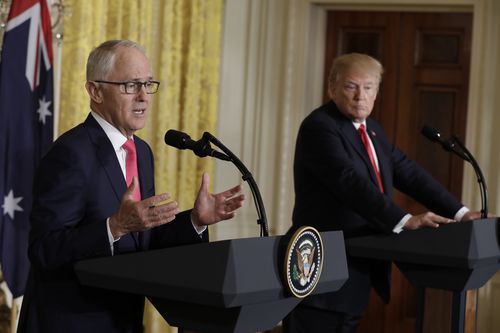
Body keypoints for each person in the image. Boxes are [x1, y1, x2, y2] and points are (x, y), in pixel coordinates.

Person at [17, 40, 245, 333]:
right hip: (71, 323)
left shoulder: (142, 151)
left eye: (148, 84)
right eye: (130, 85)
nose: (144, 97)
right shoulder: (70, 153)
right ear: (95, 91)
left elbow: (142, 238)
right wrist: (113, 227)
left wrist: (194, 220)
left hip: (122, 321)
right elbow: (44, 249)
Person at [283, 53, 482, 333]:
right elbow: (348, 181)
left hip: (357, 268)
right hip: (322, 269)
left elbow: (409, 173)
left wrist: (461, 213)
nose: (360, 96)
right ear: (332, 87)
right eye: (351, 86)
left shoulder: (372, 130)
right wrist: (403, 220)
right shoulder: (320, 126)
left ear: (377, 91)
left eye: (369, 87)